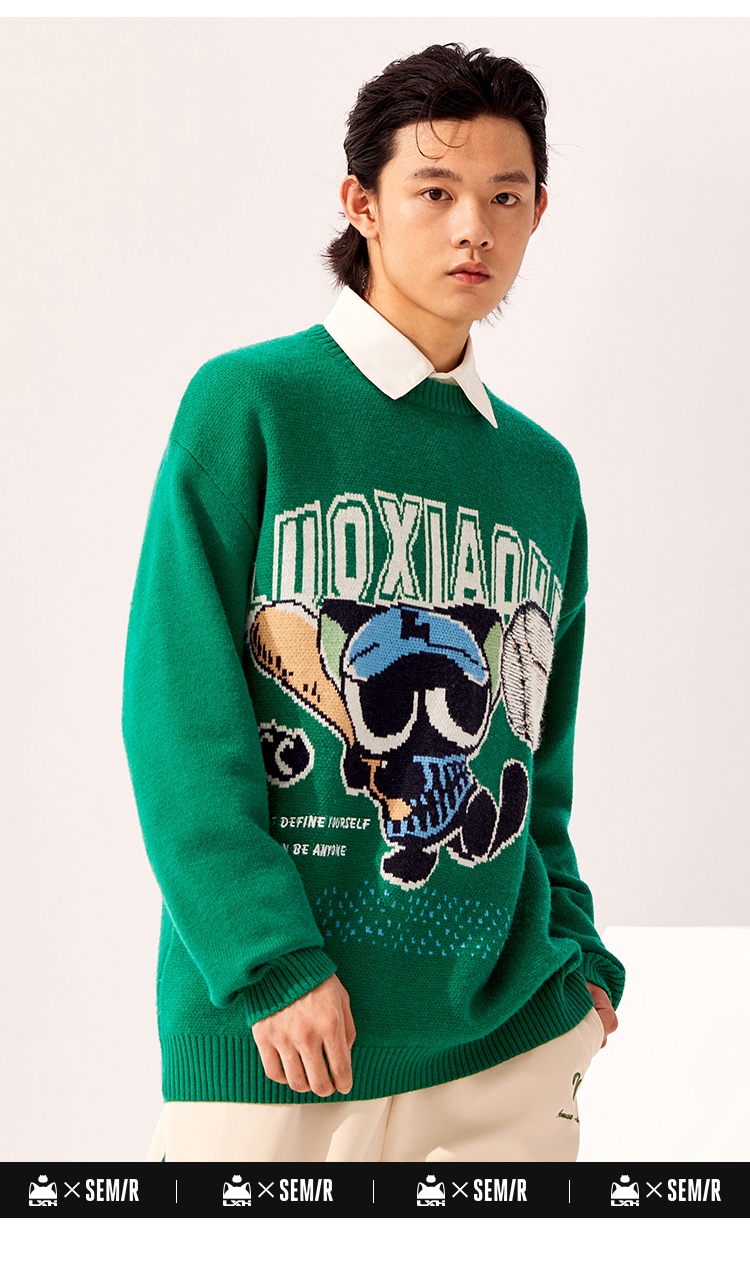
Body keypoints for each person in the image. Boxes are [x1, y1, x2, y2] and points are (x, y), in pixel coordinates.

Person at [122, 42, 625, 1164]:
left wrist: (581, 959)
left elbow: (538, 754)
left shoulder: (541, 475)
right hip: (282, 1043)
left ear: (538, 214)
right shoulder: (251, 405)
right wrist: (269, 964)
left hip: (510, 1048)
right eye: (435, 192)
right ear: (362, 204)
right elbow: (178, 716)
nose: (472, 230)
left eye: (505, 197)